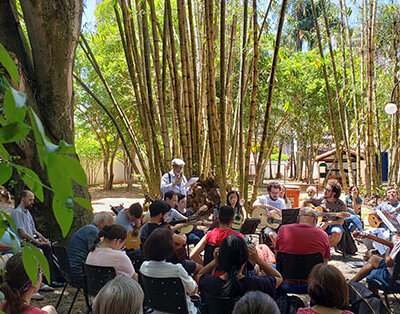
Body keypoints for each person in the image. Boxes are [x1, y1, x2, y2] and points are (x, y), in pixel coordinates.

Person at [198, 235, 282, 300]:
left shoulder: (210, 283)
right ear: (245, 259)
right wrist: (257, 260)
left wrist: (215, 262)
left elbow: (200, 275)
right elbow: (278, 277)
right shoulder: (256, 284)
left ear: (221, 258)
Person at [10, 190, 63, 287]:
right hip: (23, 243)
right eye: (30, 200)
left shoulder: (27, 213)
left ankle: (57, 276)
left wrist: (44, 239)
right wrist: (37, 243)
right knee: (46, 248)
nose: (32, 202)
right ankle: (50, 279)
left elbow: (34, 230)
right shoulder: (17, 213)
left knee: (50, 246)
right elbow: (22, 233)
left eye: (33, 200)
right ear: (23, 199)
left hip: (31, 240)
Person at [140, 228, 198, 314]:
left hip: (156, 311)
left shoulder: (144, 266)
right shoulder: (176, 269)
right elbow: (193, 290)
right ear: (169, 248)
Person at [275, 207, 330, 293]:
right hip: (313, 286)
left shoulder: (283, 229)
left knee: (269, 266)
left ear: (297, 218)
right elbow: (325, 263)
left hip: (285, 283)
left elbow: (277, 256)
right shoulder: (323, 235)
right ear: (315, 220)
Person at [139, 200, 199, 275]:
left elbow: (169, 229)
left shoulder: (143, 229)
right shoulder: (162, 231)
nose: (166, 216)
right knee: (200, 268)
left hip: (151, 264)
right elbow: (182, 240)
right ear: (161, 215)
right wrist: (182, 233)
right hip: (170, 263)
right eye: (166, 214)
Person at [67, 212, 114, 287]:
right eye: (109, 225)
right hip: (79, 273)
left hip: (72, 271)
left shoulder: (88, 228)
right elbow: (98, 253)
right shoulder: (92, 231)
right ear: (102, 221)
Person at [305, 180, 346, 247]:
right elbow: (305, 201)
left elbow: (341, 221)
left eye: (328, 190)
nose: (324, 191)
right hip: (318, 223)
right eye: (325, 189)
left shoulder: (340, 204)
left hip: (332, 224)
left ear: (333, 193)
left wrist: (328, 223)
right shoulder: (321, 199)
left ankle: (323, 250)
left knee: (337, 233)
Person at [361, 186, 400, 256]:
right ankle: (371, 250)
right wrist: (379, 214)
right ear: (387, 195)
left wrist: (390, 216)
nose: (391, 193)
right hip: (382, 228)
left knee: (385, 237)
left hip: (394, 231)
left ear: (397, 195)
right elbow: (371, 212)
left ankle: (383, 255)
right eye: (389, 192)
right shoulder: (383, 205)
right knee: (364, 234)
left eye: (393, 192)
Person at [252, 181, 286, 246]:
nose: (275, 195)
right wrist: (270, 207)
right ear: (269, 192)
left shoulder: (281, 201)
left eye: (277, 192)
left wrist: (275, 211)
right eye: (273, 192)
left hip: (278, 224)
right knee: (270, 233)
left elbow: (283, 213)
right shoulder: (263, 198)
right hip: (267, 225)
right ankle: (278, 250)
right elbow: (254, 205)